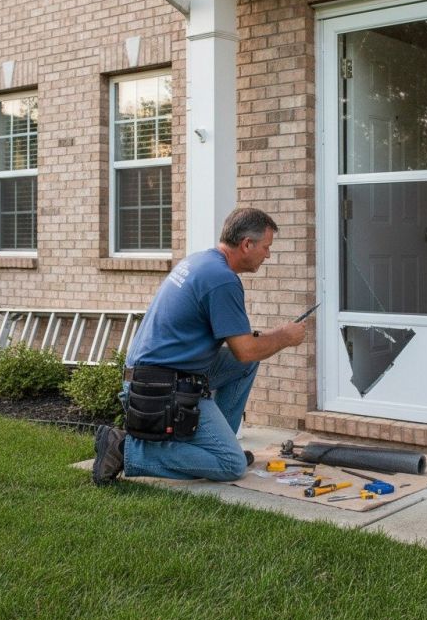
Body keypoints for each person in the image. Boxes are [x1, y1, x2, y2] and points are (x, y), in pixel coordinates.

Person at [93, 207, 306, 485]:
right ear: (246, 244)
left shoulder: (202, 262)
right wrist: (285, 336)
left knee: (244, 366)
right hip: (159, 388)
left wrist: (265, 339)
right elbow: (246, 349)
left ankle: (219, 444)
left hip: (153, 375)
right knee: (231, 466)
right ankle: (125, 449)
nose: (268, 254)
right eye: (266, 247)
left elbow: (243, 354)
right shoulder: (222, 280)